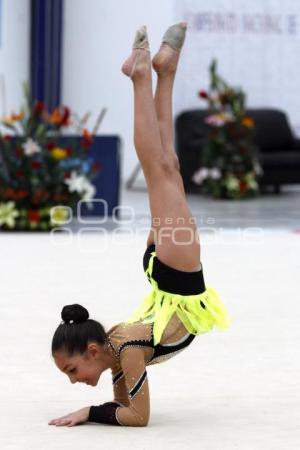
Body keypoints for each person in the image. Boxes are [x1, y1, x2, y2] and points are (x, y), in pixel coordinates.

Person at [49, 23, 231, 428]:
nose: (74, 381)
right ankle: (165, 70)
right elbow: (127, 403)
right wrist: (104, 406)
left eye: (71, 370)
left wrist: (89, 413)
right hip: (168, 278)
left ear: (92, 351)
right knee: (168, 167)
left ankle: (142, 75)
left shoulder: (124, 350)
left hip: (176, 279)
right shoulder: (117, 351)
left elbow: (136, 416)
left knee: (158, 168)